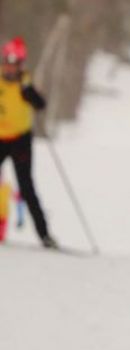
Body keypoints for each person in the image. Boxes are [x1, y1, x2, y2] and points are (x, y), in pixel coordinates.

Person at [0, 36, 56, 248]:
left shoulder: (26, 83)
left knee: (26, 188)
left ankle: (44, 235)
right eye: (6, 61)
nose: (9, 67)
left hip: (20, 141)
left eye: (13, 63)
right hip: (0, 139)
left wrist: (29, 95)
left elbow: (40, 104)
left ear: (20, 65)